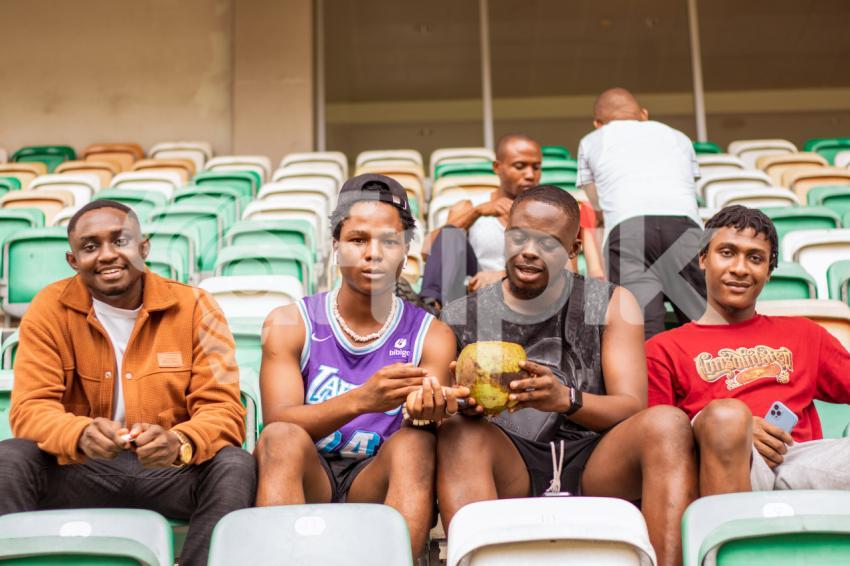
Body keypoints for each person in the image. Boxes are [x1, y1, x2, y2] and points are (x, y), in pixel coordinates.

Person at [438, 185, 697, 566]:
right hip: (510, 462)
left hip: (596, 460)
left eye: (548, 243)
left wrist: (566, 400)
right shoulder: (460, 314)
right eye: (519, 237)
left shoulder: (610, 301)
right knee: (457, 432)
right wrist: (459, 405)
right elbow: (440, 404)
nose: (529, 250)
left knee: (667, 423)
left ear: (573, 250)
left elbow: (631, 406)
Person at [0, 200, 256, 566]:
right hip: (81, 469)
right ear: (73, 260)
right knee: (9, 458)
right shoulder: (48, 308)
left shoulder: (198, 307)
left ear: (143, 248)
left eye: (120, 241)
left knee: (235, 465)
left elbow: (225, 409)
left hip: (169, 471)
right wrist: (79, 434)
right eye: (90, 247)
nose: (107, 255)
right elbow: (29, 410)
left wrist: (180, 442)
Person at [255, 174, 467, 556]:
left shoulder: (431, 335)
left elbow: (430, 417)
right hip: (309, 471)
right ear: (336, 247)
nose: (373, 253)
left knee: (416, 444)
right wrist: (362, 399)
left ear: (406, 253)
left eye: (389, 241)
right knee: (281, 439)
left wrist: (432, 411)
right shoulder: (289, 322)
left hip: (377, 479)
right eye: (357, 240)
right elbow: (278, 420)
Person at [647, 205, 850, 495]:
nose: (740, 269)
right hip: (720, 465)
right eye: (727, 253)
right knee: (725, 420)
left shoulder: (804, 334)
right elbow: (658, 446)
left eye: (755, 258)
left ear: (768, 272)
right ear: (703, 259)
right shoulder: (662, 349)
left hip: (805, 462)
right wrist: (732, 433)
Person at [576, 87, 706, 338]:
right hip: (684, 227)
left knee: (643, 327)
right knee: (702, 320)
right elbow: (688, 187)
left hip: (628, 232)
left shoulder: (592, 140)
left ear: (598, 123)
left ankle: (652, 377)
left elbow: (597, 203)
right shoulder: (677, 136)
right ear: (644, 114)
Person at [419, 134, 542, 309]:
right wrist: (475, 213)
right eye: (520, 166)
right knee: (451, 233)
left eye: (536, 167)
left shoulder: (550, 213)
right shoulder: (470, 206)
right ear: (497, 167)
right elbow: (427, 251)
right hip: (474, 297)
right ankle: (429, 311)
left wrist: (503, 276)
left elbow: (567, 272)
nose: (530, 175)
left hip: (528, 297)